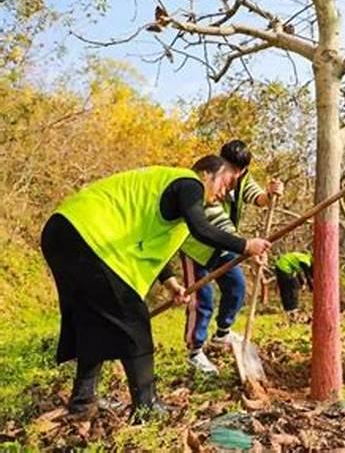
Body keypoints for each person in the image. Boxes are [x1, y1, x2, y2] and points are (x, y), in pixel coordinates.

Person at [40, 156, 271, 419]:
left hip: (64, 231)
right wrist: (245, 245)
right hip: (90, 236)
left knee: (94, 323)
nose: (225, 192)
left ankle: (83, 402)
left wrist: (171, 283)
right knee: (134, 323)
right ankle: (146, 407)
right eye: (227, 181)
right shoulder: (189, 182)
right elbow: (202, 229)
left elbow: (150, 241)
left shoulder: (170, 199)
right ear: (207, 173)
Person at [182, 139, 283, 374]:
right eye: (229, 168)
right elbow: (216, 222)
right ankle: (195, 351)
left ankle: (223, 333)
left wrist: (271, 194)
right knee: (202, 299)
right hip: (197, 245)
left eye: (238, 171)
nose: (233, 174)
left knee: (237, 287)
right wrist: (247, 248)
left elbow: (258, 198)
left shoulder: (242, 179)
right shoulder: (207, 179)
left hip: (226, 244)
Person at [274, 251, 313, 317]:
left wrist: (302, 282)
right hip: (284, 267)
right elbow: (307, 275)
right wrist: (312, 288)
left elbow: (298, 271)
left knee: (285, 289)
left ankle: (288, 309)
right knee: (293, 287)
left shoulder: (304, 258)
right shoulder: (306, 262)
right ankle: (293, 309)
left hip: (279, 266)